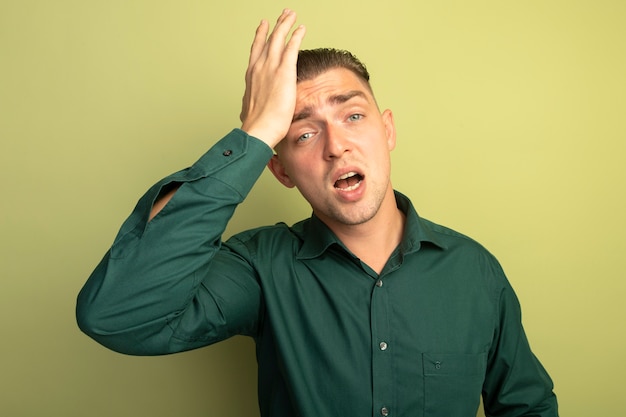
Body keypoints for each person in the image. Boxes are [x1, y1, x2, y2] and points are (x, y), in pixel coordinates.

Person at [76, 9, 558, 417]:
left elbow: (527, 406)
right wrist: (255, 134)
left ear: (386, 131)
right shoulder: (258, 266)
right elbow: (116, 315)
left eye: (352, 116)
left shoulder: (474, 270)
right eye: (304, 134)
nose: (336, 145)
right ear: (280, 170)